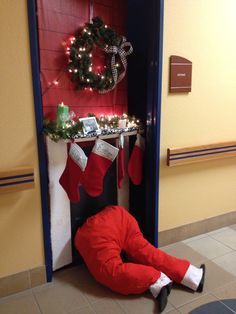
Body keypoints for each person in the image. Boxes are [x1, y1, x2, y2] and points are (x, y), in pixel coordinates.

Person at [74, 205, 205, 312]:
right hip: (118, 214)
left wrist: (155, 278)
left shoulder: (84, 236)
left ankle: (158, 280)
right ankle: (193, 275)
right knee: (146, 251)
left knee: (112, 271)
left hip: (95, 232)